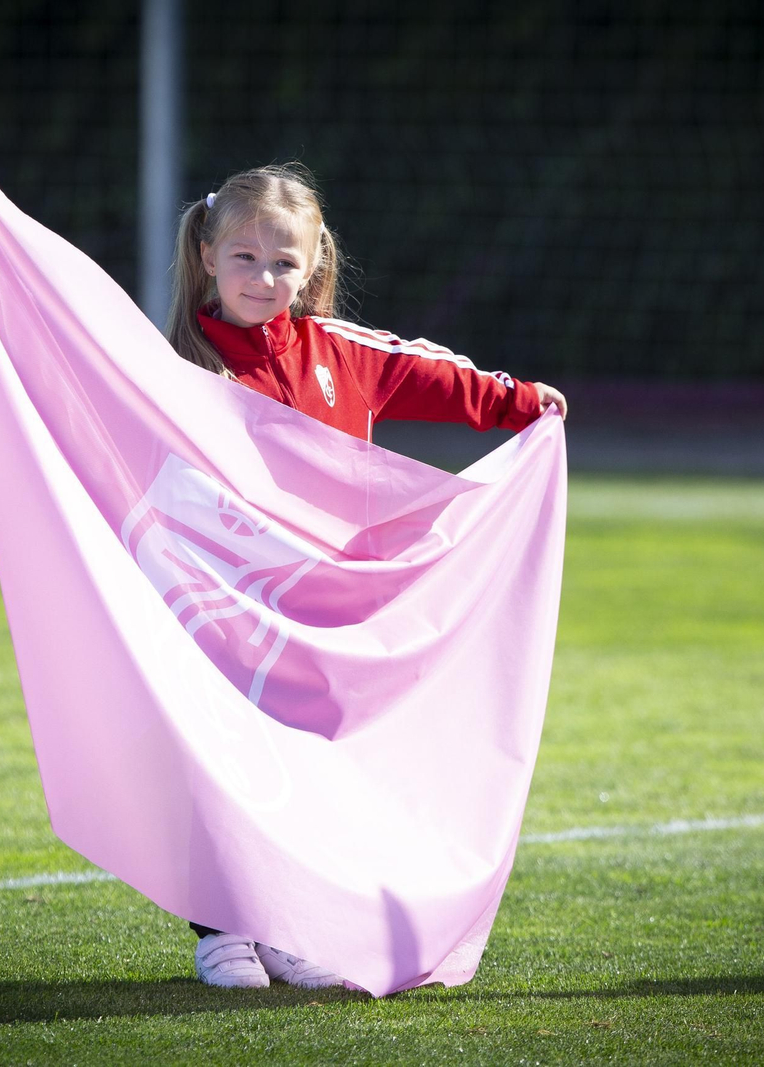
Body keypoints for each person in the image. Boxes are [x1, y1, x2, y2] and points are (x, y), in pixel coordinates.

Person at [163, 164, 567, 990]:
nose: (265, 279)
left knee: (313, 759)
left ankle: (288, 923)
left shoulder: (341, 354)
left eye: (285, 262)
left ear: (314, 265)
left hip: (325, 608)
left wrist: (522, 402)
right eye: (244, 258)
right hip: (220, 606)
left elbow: (440, 377)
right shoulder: (169, 366)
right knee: (220, 752)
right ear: (207, 254)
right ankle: (222, 927)